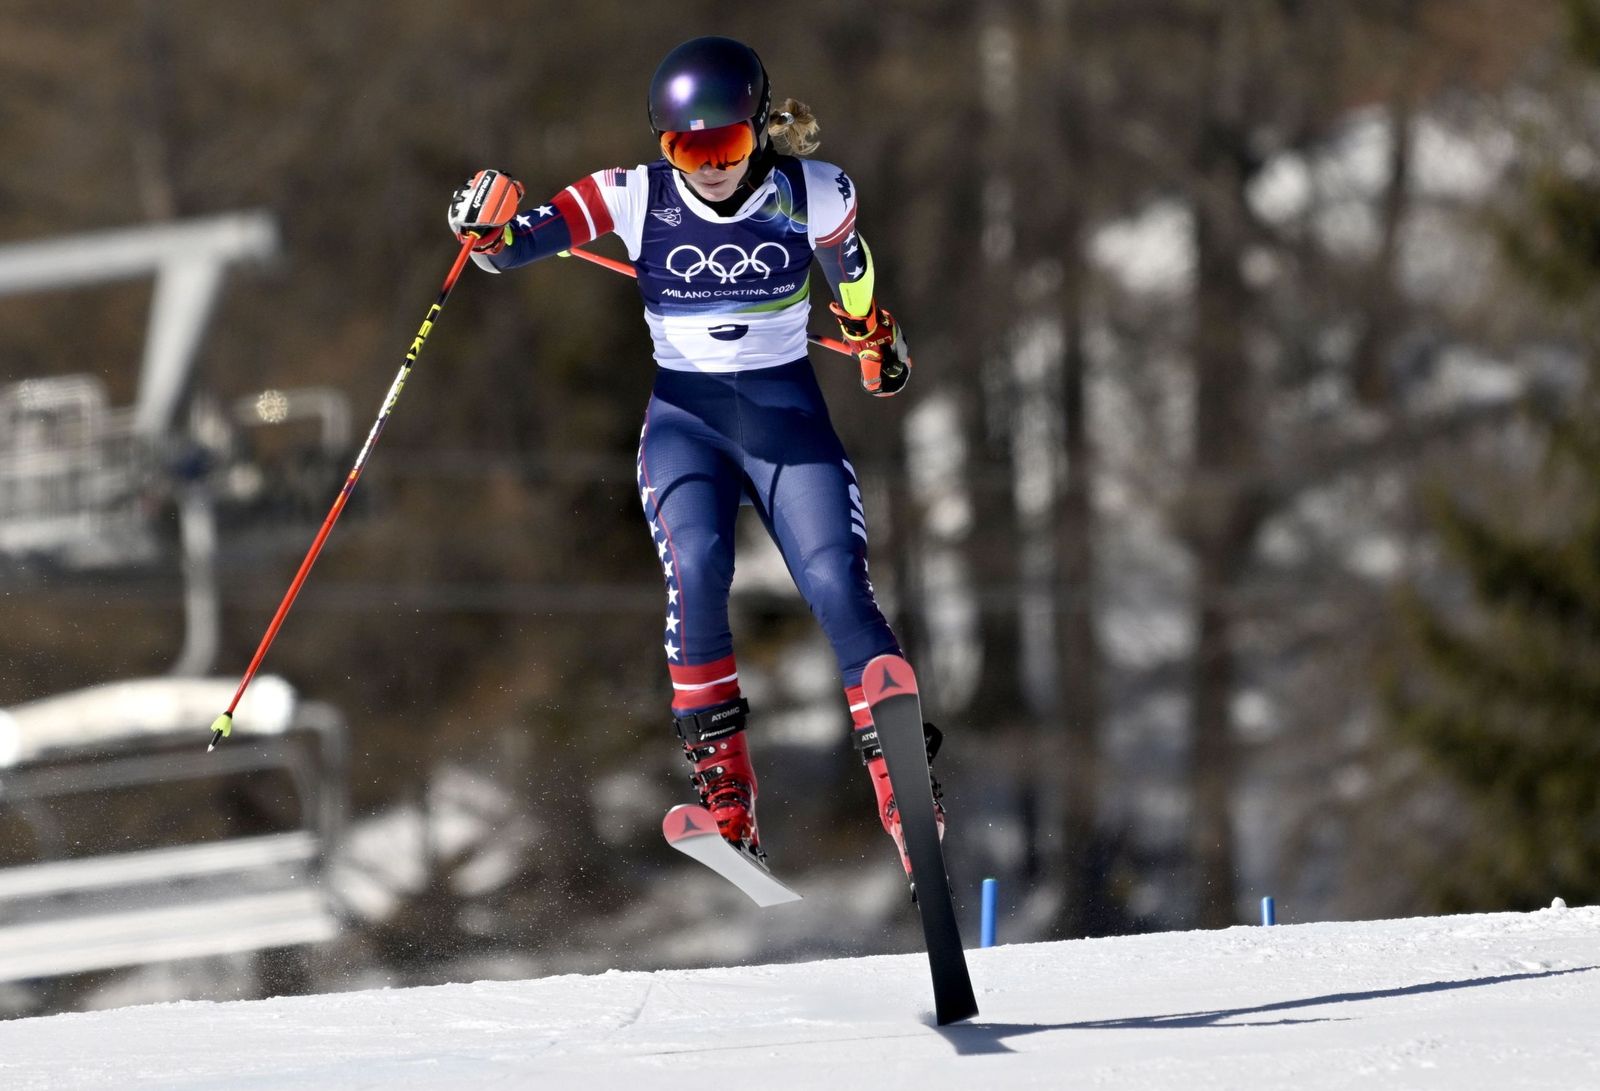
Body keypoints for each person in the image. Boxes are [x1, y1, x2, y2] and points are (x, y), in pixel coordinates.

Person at [446, 36, 942, 878]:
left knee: (833, 580)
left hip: (789, 421)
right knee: (701, 569)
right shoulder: (630, 195)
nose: (708, 167)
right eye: (687, 148)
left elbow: (850, 274)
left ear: (759, 130)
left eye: (727, 147)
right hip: (687, 424)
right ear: (661, 143)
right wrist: (481, 220)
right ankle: (727, 795)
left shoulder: (814, 191)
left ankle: (901, 783)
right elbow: (511, 246)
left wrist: (869, 333)